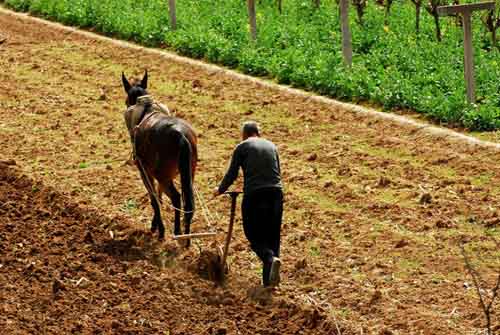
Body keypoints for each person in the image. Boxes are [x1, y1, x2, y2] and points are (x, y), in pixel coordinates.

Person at [213, 121, 284, 287]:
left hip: (255, 195)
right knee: (272, 237)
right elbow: (277, 173)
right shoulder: (272, 145)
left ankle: (268, 258)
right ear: (258, 133)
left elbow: (232, 174)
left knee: (252, 234)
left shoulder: (242, 147)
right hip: (276, 194)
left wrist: (219, 190)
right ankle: (269, 283)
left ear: (244, 134)